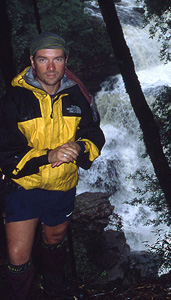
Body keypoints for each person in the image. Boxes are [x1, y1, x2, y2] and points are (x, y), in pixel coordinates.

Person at [0, 32, 105, 300]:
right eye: (43, 59)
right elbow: (6, 151)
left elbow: (94, 134)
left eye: (57, 59)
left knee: (55, 238)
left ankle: (55, 287)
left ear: (65, 61)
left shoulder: (78, 96)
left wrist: (80, 147)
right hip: (24, 185)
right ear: (32, 62)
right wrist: (48, 155)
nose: (50, 67)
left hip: (63, 184)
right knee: (17, 253)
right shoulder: (13, 100)